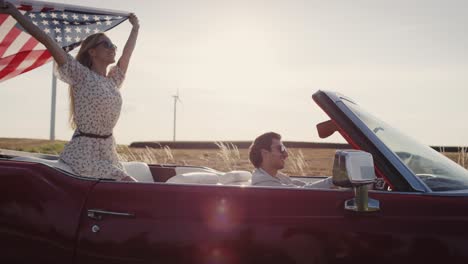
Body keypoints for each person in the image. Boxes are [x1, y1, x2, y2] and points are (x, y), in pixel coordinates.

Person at [1, 2, 139, 181]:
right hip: (83, 154)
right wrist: (15, 14)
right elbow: (47, 40)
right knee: (129, 183)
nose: (112, 48)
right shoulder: (80, 75)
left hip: (107, 152)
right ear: (92, 52)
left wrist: (135, 28)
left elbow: (127, 55)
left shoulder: (113, 81)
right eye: (106, 44)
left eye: (114, 45)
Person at [249, 132, 335, 188]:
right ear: (265, 153)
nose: (286, 155)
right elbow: (303, 192)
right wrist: (335, 180)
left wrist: (335, 181)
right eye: (281, 149)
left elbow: (307, 186)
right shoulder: (264, 184)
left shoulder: (278, 177)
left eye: (284, 149)